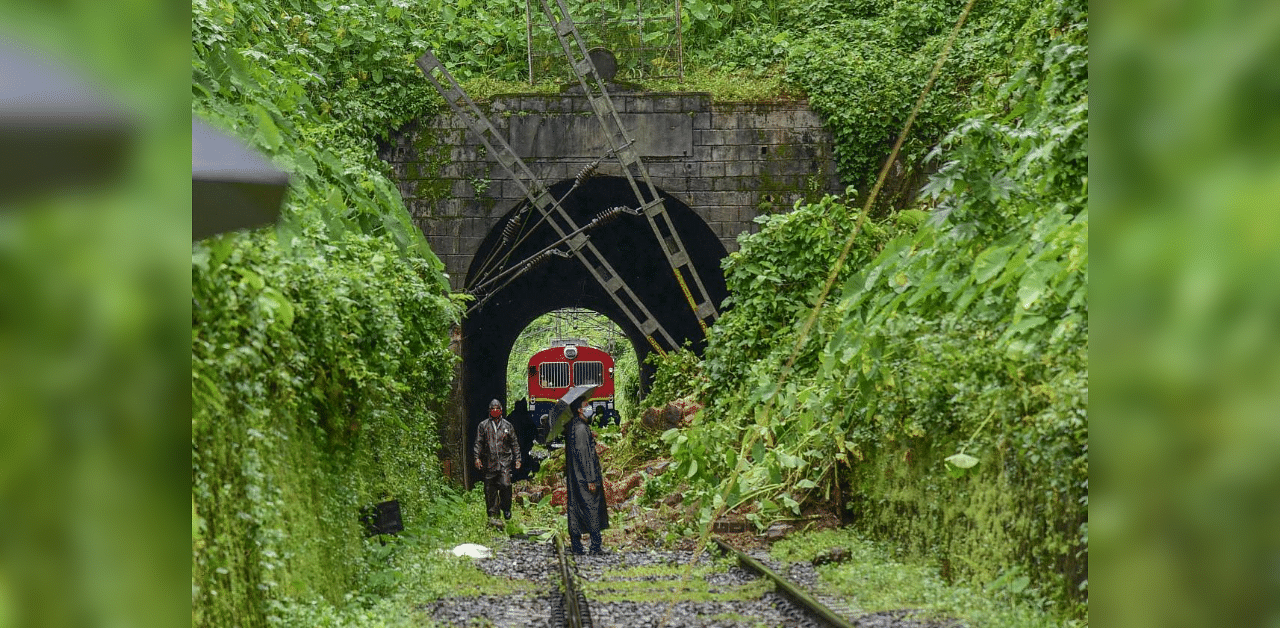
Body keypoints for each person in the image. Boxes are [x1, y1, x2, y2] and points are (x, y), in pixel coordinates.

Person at [565, 398, 609, 554]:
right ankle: (595, 545)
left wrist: (590, 435)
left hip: (575, 476)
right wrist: (591, 478)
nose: (589, 408)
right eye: (586, 405)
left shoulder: (575, 426)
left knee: (576, 507)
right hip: (584, 477)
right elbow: (585, 456)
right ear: (579, 410)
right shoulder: (581, 429)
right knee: (592, 507)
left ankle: (576, 545)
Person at [474, 399, 520, 527]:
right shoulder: (483, 426)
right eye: (492, 408)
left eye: (497, 408)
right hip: (489, 462)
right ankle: (493, 517)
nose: (495, 410)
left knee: (505, 485)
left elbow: (514, 443)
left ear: (501, 410)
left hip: (504, 462)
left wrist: (518, 459)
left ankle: (506, 507)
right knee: (490, 490)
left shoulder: (507, 426)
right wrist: (477, 457)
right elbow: (478, 443)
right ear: (489, 411)